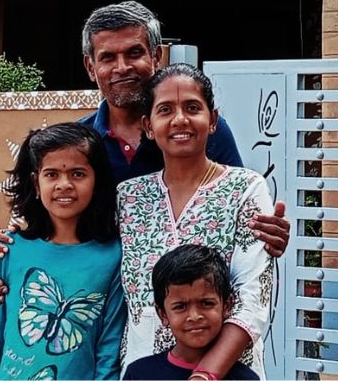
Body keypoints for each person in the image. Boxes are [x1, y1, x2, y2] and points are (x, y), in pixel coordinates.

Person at [0, 2, 290, 311]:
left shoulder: (202, 133)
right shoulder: (76, 148)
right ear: (90, 67)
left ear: (156, 56)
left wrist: (265, 234)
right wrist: (4, 262)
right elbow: (39, 225)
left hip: (191, 317)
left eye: (133, 53)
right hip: (95, 311)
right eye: (107, 58)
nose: (122, 67)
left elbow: (237, 215)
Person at [115, 64, 274, 377]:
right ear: (148, 125)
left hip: (229, 371)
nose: (179, 120)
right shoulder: (128, 197)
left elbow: (253, 296)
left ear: (212, 120)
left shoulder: (246, 189)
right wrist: (8, 246)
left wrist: (206, 374)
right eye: (165, 110)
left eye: (192, 107)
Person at [0, 123, 126, 380]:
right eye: (52, 174)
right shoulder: (9, 250)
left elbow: (107, 352)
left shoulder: (113, 257)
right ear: (36, 183)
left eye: (78, 174)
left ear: (96, 181)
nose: (64, 184)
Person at [123, 245, 260, 380]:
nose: (194, 316)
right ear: (163, 314)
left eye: (206, 303)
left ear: (227, 306)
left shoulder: (245, 378)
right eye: (180, 306)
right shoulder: (139, 374)